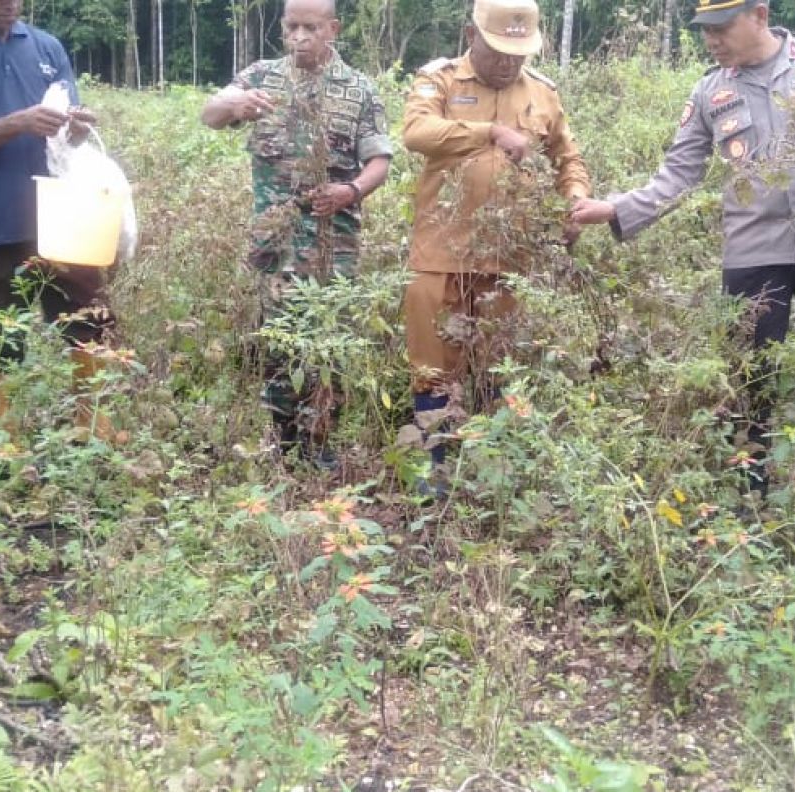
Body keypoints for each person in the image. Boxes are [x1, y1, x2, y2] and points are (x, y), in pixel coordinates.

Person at [569, 0, 795, 497]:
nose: (711, 40)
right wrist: (616, 209)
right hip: (752, 253)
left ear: (759, 14)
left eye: (721, 27)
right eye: (704, 30)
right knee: (750, 371)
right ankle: (751, 488)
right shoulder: (711, 91)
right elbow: (679, 173)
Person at [200, 0, 392, 469]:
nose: (300, 37)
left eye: (311, 27)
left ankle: (320, 444)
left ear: (333, 29)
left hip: (333, 247)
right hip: (273, 245)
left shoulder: (358, 90)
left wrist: (350, 190)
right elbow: (210, 113)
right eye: (292, 27)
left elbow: (380, 162)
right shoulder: (261, 77)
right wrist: (233, 104)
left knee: (328, 341)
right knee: (278, 341)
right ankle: (284, 443)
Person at [403, 0, 591, 475]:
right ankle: (436, 469)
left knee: (499, 362)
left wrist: (574, 198)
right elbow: (416, 132)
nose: (508, 62)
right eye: (498, 51)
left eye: (519, 53)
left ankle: (489, 468)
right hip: (440, 253)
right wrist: (489, 132)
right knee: (432, 364)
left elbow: (568, 159)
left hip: (511, 257)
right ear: (471, 35)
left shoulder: (543, 94)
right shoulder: (441, 80)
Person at [0, 0, 116, 441]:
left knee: (88, 320)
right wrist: (17, 122)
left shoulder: (47, 47)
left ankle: (92, 429)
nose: (13, 3)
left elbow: (71, 126)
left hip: (65, 217)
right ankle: (6, 441)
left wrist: (79, 125)